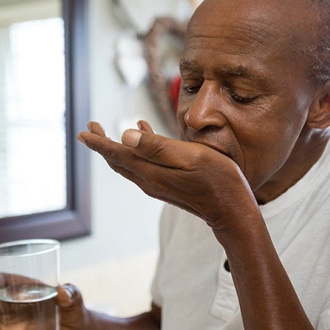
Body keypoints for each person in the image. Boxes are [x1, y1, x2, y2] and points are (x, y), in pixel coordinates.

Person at [58, 0, 330, 328]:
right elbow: (165, 320)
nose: (195, 115)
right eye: (191, 84)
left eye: (241, 94)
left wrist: (234, 222)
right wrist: (84, 321)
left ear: (322, 104)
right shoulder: (194, 190)